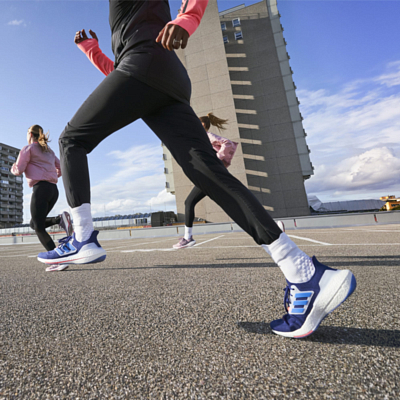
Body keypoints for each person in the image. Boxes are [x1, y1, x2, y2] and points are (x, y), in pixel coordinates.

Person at [37, 0, 356, 338]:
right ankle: (304, 272)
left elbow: (128, 72)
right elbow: (119, 76)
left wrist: (187, 19)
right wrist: (91, 49)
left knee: (72, 139)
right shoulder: (129, 21)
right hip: (160, 75)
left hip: (146, 64)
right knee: (208, 173)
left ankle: (84, 237)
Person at [11, 125, 73, 272]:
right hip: (53, 190)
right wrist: (51, 176)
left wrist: (13, 167)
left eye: (26, 133)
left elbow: (18, 170)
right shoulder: (49, 151)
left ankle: (58, 260)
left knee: (38, 227)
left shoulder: (28, 149)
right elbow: (62, 167)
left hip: (40, 190)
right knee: (34, 223)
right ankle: (59, 220)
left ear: (30, 134)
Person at [173, 113, 237, 249]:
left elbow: (228, 143)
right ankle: (270, 227)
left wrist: (217, 159)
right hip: (209, 176)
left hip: (211, 176)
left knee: (189, 202)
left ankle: (188, 237)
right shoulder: (200, 138)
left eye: (199, 125)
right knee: (233, 202)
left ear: (204, 126)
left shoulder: (208, 136)